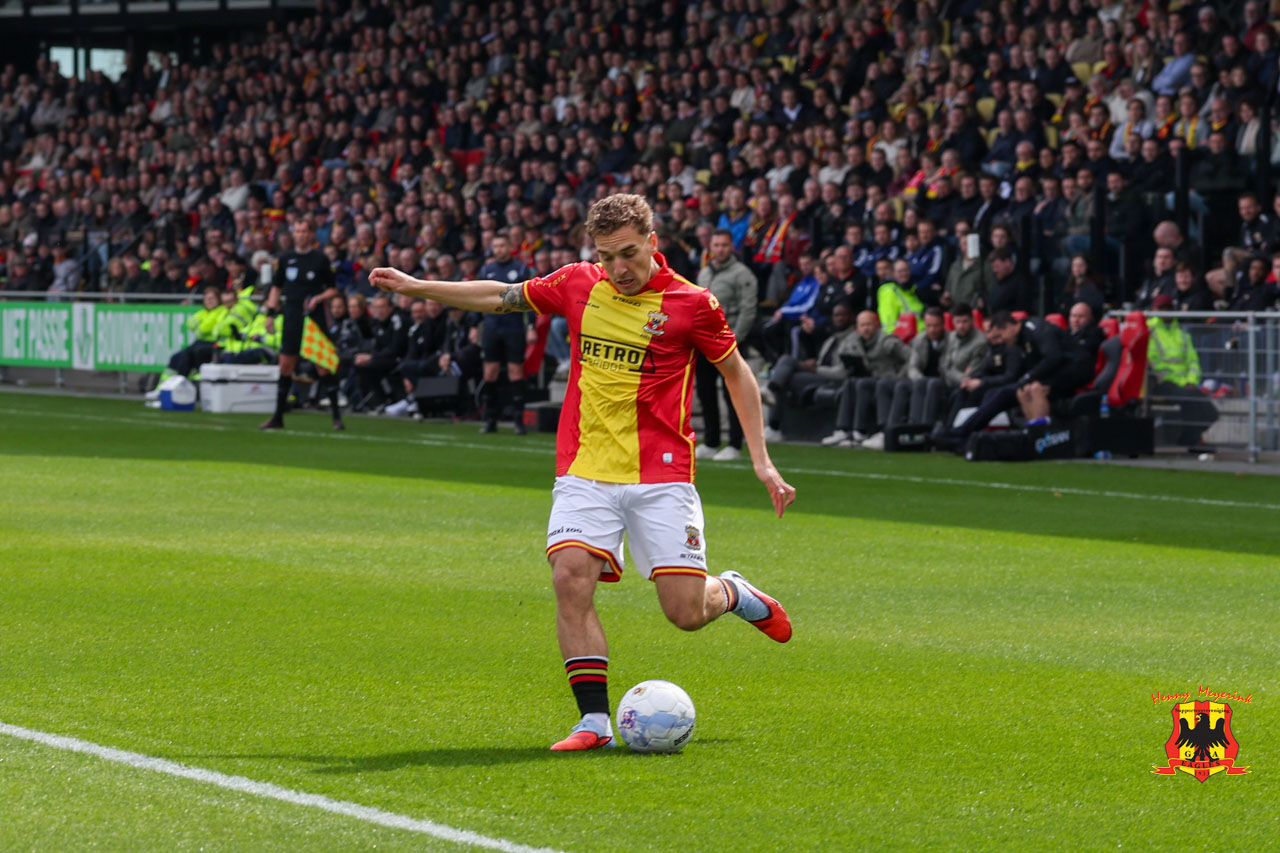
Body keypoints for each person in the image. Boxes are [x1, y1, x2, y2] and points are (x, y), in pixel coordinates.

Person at [369, 194, 795, 752]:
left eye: (629, 253)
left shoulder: (693, 304)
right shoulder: (578, 282)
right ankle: (594, 723)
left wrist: (761, 460)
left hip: (660, 477)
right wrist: (417, 286)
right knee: (570, 578)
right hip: (584, 471)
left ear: (652, 242)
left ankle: (733, 593)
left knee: (685, 614)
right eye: (606, 255)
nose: (618, 267)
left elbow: (737, 375)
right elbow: (502, 295)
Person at [260, 218, 343, 430]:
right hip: (292, 313)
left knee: (322, 365)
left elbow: (334, 289)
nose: (301, 235)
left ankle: (336, 418)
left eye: (305, 231)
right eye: (297, 231)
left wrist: (318, 297)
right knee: (286, 364)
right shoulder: (286, 258)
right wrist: (270, 313)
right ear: (293, 234)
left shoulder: (320, 259)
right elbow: (276, 288)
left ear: (311, 234)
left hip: (314, 317)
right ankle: (277, 416)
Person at [695, 228, 758, 461]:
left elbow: (748, 309)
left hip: (728, 342)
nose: (720, 249)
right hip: (703, 342)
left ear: (732, 247)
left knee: (734, 393)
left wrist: (735, 339)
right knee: (706, 392)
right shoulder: (704, 273)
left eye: (724, 245)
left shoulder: (743, 274)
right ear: (710, 248)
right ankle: (711, 441)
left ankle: (734, 443)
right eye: (717, 245)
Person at [819, 310, 911, 447]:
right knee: (851, 383)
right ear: (857, 327)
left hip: (888, 380)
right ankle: (844, 429)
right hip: (870, 380)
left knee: (865, 384)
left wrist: (900, 376)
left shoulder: (887, 341)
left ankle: (876, 431)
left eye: (869, 324)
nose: (866, 329)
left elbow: (910, 357)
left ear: (876, 325)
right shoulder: (853, 341)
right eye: (862, 325)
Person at [477, 232, 534, 434]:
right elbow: (478, 298)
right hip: (492, 326)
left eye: (502, 245)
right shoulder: (486, 269)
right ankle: (490, 420)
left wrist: (531, 327)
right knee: (490, 372)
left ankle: (519, 421)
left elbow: (531, 299)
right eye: (496, 246)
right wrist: (474, 326)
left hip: (513, 326)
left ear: (510, 247)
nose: (499, 249)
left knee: (515, 371)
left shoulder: (520, 269)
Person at [1147, 294, 1219, 446]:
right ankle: (1192, 442)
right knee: (1190, 401)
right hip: (1163, 383)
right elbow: (1153, 363)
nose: (1165, 312)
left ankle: (1187, 439)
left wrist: (1191, 381)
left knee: (1212, 413)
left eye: (1168, 308)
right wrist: (1179, 381)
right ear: (1154, 309)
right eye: (1161, 308)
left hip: (1185, 384)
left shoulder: (1182, 333)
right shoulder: (1149, 332)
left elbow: (1193, 361)